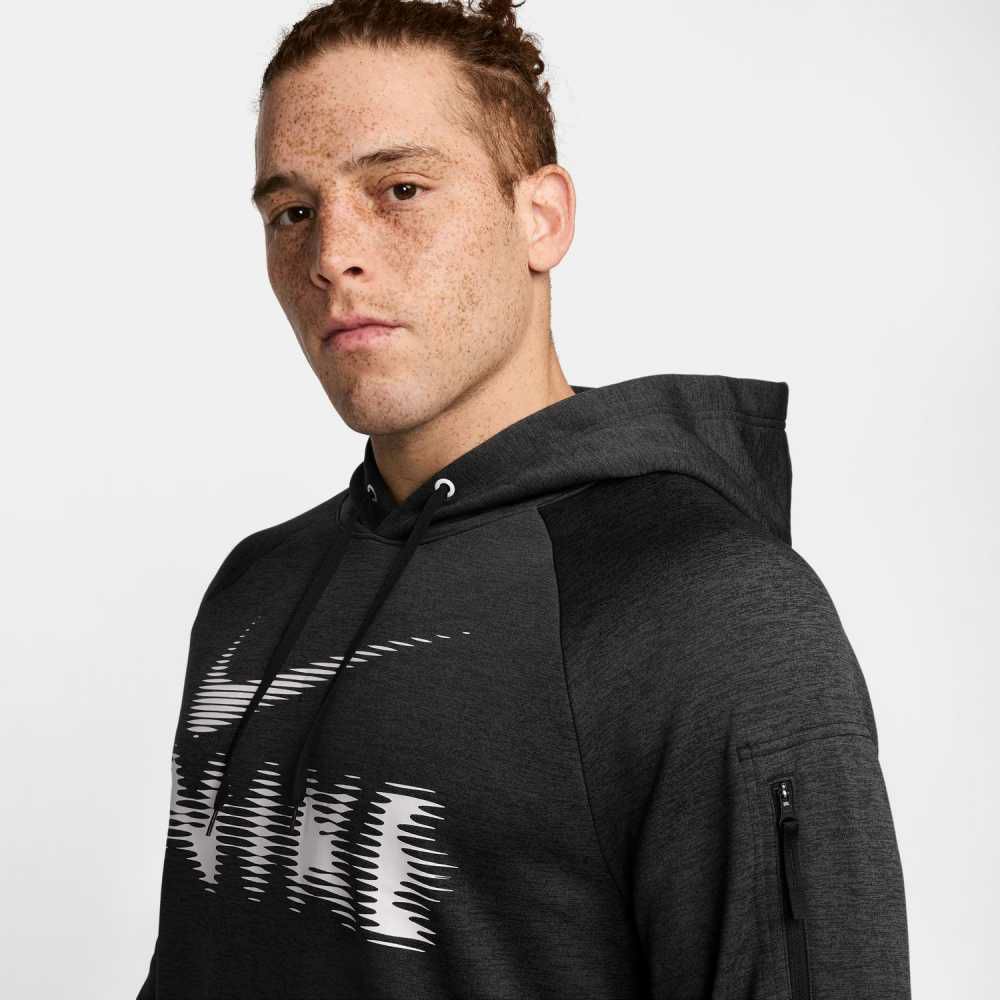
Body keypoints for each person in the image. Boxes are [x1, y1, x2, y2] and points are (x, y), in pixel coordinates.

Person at [137, 1, 911, 997]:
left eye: (400, 189)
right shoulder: (256, 589)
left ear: (541, 217)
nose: (331, 254)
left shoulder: (706, 612)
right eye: (291, 211)